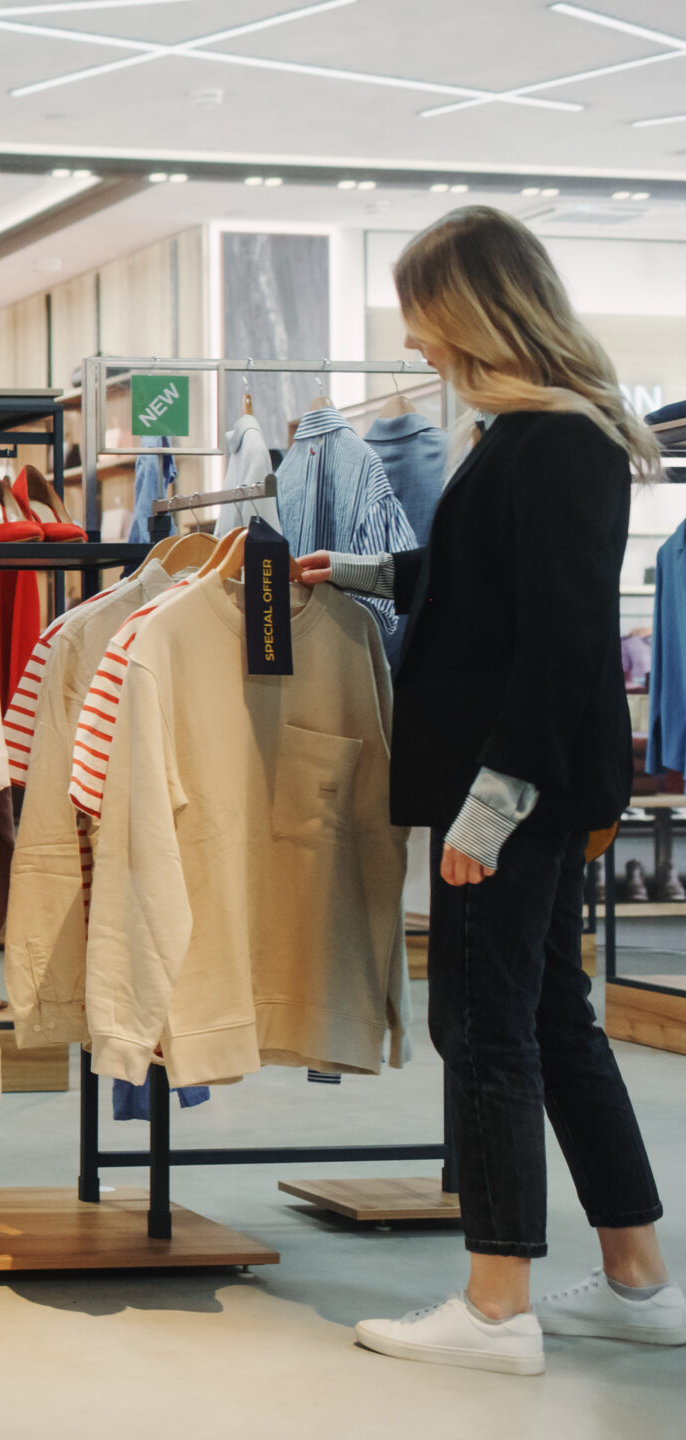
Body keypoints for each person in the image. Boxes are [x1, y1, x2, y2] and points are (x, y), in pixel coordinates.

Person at [295, 207, 677, 1374]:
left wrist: (492, 805)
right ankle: (635, 1277)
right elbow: (482, 584)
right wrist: (360, 571)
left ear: (471, 308)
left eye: (420, 315)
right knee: (551, 1017)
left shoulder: (554, 441)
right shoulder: (529, 434)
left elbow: (561, 642)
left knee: (483, 1023)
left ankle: (496, 1304)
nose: (413, 341)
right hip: (523, 779)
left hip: (511, 784)